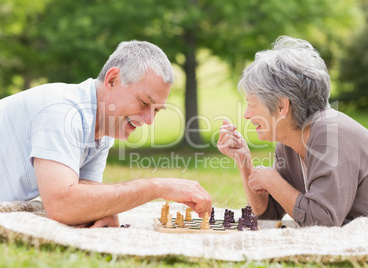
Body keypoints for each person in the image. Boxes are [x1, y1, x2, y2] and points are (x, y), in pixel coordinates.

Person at [0, 40, 211, 227]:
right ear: (112, 80)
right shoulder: (62, 110)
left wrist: (104, 209)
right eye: (144, 102)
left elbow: (85, 193)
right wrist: (157, 186)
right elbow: (61, 204)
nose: (149, 121)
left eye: (156, 110)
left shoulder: (102, 128)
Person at [218, 36, 368, 232]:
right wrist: (244, 161)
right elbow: (268, 214)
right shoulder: (289, 143)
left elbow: (323, 222)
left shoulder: (329, 133)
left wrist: (273, 181)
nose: (246, 115)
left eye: (252, 104)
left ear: (282, 106)